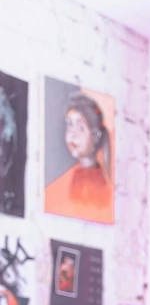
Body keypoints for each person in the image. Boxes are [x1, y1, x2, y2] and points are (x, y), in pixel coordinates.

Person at [45, 92, 113, 224]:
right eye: (70, 125)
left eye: (81, 127)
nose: (73, 135)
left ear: (96, 135)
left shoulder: (100, 185)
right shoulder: (61, 184)